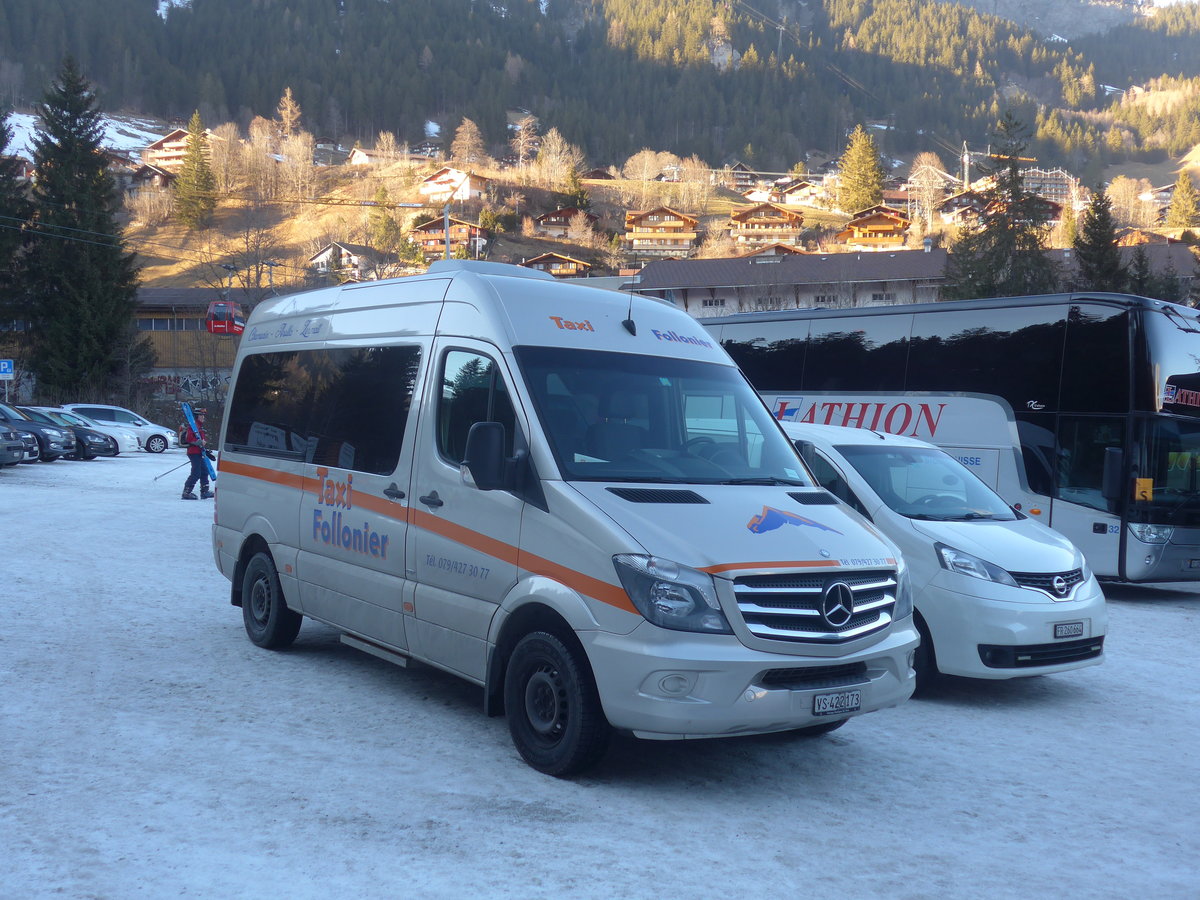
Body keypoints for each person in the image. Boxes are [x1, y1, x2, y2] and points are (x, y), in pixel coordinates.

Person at [181, 408, 213, 500]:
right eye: (201, 415)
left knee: (204, 471)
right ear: (196, 416)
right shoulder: (193, 426)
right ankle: (186, 492)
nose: (203, 417)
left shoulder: (199, 426)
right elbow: (189, 439)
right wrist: (199, 442)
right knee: (196, 473)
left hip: (199, 452)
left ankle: (205, 491)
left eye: (203, 415)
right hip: (193, 453)